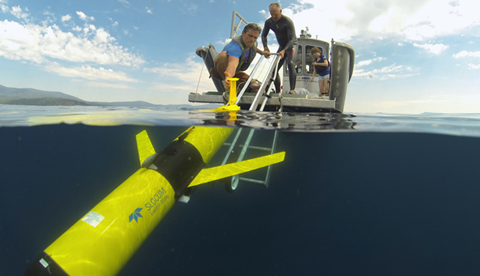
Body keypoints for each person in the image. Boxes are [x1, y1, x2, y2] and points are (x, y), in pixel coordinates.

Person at [211, 23, 267, 90]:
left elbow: (253, 47)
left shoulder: (253, 43)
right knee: (223, 56)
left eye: (255, 37)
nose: (252, 39)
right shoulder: (235, 47)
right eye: (250, 36)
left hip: (237, 72)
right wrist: (229, 77)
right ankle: (231, 88)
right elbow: (232, 63)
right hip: (223, 70)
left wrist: (262, 52)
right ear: (243, 33)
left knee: (255, 87)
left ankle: (240, 88)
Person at [261, 3, 297, 94]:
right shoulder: (269, 22)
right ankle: (277, 91)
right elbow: (264, 35)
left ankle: (292, 89)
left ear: (280, 11)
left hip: (291, 45)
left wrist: (284, 50)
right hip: (281, 47)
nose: (273, 16)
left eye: (275, 14)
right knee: (274, 69)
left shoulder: (287, 21)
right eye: (271, 14)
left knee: (290, 63)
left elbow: (292, 39)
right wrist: (265, 46)